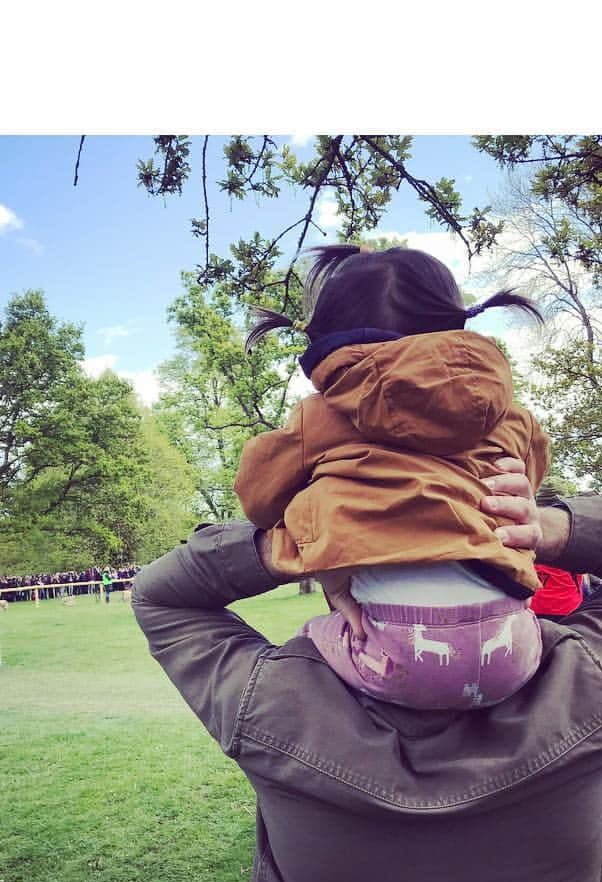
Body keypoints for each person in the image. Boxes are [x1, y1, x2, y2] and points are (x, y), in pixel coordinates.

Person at [133, 459, 602, 882]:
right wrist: (548, 525)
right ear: (515, 580)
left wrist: (301, 539)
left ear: (352, 591)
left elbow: (162, 595)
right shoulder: (585, 683)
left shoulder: (272, 704)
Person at [234, 245, 549, 711]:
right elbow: (527, 486)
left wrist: (323, 508)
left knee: (306, 641)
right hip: (514, 641)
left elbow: (257, 497)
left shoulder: (319, 418)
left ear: (331, 343)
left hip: (394, 645)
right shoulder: (511, 417)